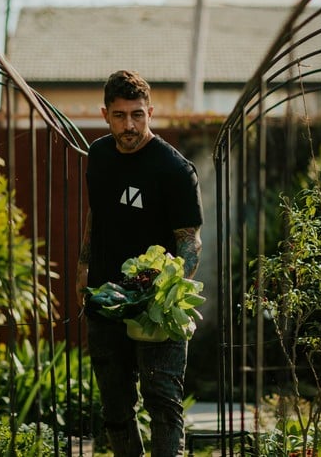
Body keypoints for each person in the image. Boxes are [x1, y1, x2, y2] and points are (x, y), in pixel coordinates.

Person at [76, 70, 203, 457]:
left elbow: (189, 240)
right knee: (115, 408)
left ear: (150, 112)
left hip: (155, 310)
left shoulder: (175, 170)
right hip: (105, 299)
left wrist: (165, 298)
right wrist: (83, 268)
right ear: (105, 114)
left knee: (162, 405)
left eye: (137, 115)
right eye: (119, 115)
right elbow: (95, 216)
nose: (129, 125)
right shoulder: (98, 156)